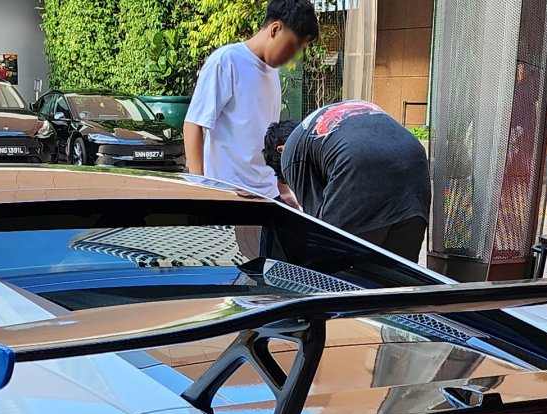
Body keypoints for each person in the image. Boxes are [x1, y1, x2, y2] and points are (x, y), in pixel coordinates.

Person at [183, 0, 318, 200]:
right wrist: (202, 189)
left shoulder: (272, 74)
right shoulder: (226, 61)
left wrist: (282, 189)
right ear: (275, 29)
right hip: (229, 194)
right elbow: (193, 124)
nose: (294, 56)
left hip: (268, 195)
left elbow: (272, 137)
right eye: (293, 46)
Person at [263, 101, 431, 261]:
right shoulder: (320, 123)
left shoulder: (291, 149)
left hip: (358, 162)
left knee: (329, 259)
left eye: (285, 176)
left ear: (281, 150)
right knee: (399, 279)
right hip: (415, 160)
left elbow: (317, 225)